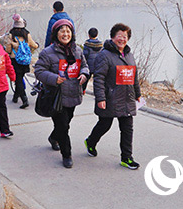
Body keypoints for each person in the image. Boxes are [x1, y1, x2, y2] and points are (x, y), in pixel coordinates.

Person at [84, 23, 141, 170]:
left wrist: (138, 93)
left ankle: (126, 158)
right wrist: (101, 98)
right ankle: (91, 142)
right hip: (111, 98)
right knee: (105, 125)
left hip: (127, 98)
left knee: (127, 128)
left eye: (125, 36)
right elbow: (99, 78)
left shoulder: (129, 55)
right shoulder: (105, 55)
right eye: (119, 36)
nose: (122, 39)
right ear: (112, 37)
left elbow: (134, 76)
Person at [34, 19, 89, 168]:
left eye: (68, 31)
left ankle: (53, 137)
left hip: (73, 93)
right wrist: (54, 78)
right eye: (62, 31)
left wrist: (84, 74)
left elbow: (84, 66)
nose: (65, 34)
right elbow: (38, 71)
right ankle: (67, 154)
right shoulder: (47, 52)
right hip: (56, 96)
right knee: (63, 126)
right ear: (56, 34)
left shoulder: (77, 50)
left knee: (66, 123)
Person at [4, 14, 39, 108]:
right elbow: (34, 45)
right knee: (19, 78)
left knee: (18, 79)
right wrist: (37, 45)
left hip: (15, 60)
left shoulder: (11, 34)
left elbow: (8, 48)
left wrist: (10, 50)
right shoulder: (26, 34)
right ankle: (16, 97)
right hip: (25, 61)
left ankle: (24, 99)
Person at [82, 27, 103, 92]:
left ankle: (83, 90)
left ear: (89, 35)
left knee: (85, 80)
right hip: (98, 66)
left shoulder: (87, 44)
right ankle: (98, 93)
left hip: (89, 66)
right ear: (97, 35)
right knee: (98, 81)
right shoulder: (100, 45)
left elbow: (85, 55)